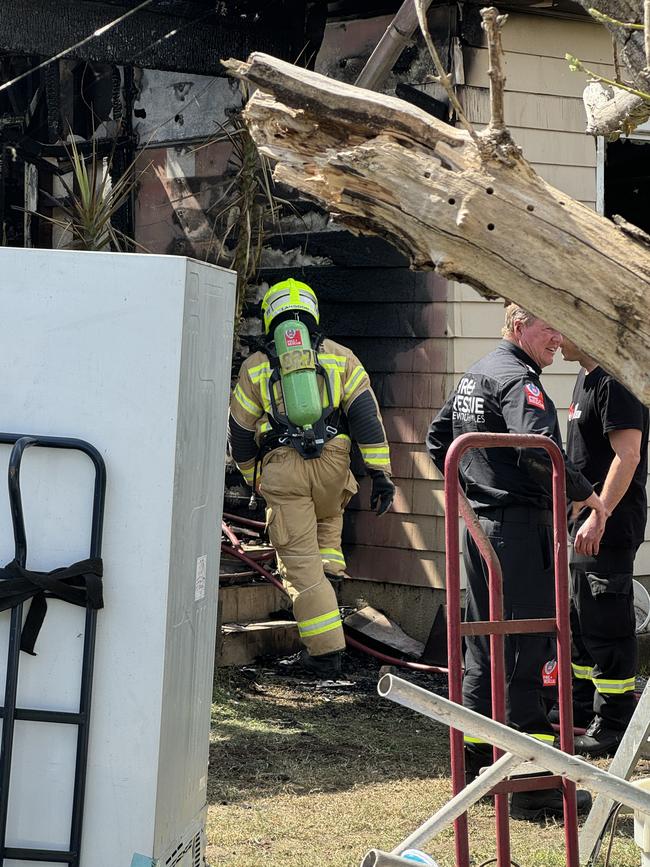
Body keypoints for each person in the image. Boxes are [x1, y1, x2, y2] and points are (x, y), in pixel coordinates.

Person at [426, 303, 606, 821]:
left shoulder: (478, 373)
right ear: (519, 325)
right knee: (527, 650)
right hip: (519, 532)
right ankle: (532, 788)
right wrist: (584, 494)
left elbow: (440, 442)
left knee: (485, 647)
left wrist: (469, 500)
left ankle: (481, 765)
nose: (559, 338)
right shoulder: (517, 381)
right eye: (550, 326)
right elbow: (538, 447)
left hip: (481, 531)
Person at [228, 278, 395, 677]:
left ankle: (324, 654)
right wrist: (381, 474)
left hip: (286, 471)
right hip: (334, 469)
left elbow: (239, 433)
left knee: (300, 567)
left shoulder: (256, 368)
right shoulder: (342, 358)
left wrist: (254, 479)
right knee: (326, 550)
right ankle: (330, 602)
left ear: (271, 316)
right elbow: (367, 419)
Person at [560, 336, 649, 757]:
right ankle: (583, 709)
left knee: (607, 622)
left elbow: (627, 455)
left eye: (562, 324)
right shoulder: (586, 377)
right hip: (583, 523)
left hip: (608, 524)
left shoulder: (617, 380)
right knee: (582, 621)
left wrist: (600, 514)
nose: (556, 337)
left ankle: (615, 722)